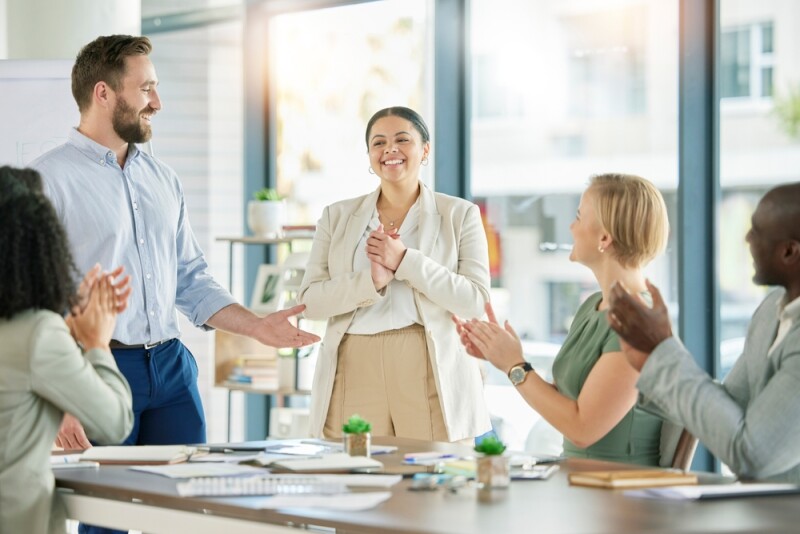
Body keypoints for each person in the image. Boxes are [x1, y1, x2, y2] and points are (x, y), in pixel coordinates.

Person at [30, 35, 319, 533]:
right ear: (103, 93)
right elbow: (28, 304)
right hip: (98, 372)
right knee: (107, 521)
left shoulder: (163, 178)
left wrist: (258, 328)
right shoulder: (45, 181)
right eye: (146, 89)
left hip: (171, 368)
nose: (157, 103)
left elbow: (191, 279)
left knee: (192, 512)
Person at [297, 106, 491, 442]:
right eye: (379, 142)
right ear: (370, 155)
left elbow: (474, 300)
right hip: (354, 361)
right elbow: (310, 303)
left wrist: (406, 262)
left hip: (428, 359)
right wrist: (369, 282)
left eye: (403, 139)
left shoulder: (460, 215)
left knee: (433, 479)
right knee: (354, 478)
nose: (390, 150)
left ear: (425, 150)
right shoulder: (336, 216)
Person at [456, 174, 669, 465]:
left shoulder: (637, 324)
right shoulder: (593, 306)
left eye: (579, 217)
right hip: (578, 479)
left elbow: (582, 429)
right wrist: (504, 356)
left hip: (619, 493)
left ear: (605, 238)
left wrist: (514, 365)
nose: (571, 226)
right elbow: (565, 401)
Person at [607, 182, 800, 481]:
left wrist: (663, 351)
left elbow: (754, 455)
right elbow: (731, 406)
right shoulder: (770, 310)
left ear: (789, 251)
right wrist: (650, 363)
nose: (747, 239)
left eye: (758, 231)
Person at [0, 167, 134, 534]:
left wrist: (70, 326)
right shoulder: (37, 333)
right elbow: (115, 422)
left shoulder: (36, 333)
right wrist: (97, 342)